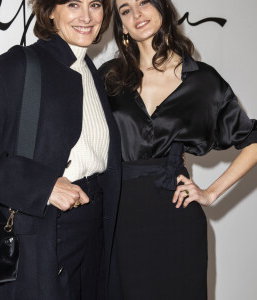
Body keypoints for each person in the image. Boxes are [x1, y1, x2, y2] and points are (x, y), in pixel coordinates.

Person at [0, 0, 121, 299]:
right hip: (45, 231)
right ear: (49, 11)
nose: (86, 16)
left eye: (95, 4)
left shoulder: (91, 71)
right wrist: (44, 186)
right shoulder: (19, 64)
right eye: (73, 3)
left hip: (94, 227)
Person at [99, 0, 257, 299]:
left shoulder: (203, 81)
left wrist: (210, 193)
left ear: (162, 7)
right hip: (118, 218)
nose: (137, 14)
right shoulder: (109, 77)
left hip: (176, 218)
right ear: (121, 26)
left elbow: (252, 139)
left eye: (144, 2)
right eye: (125, 10)